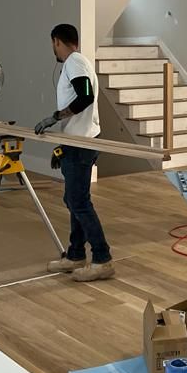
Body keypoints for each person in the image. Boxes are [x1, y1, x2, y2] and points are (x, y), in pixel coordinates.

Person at [34, 23, 114, 282]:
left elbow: (86, 97)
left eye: (53, 45)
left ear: (57, 41)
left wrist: (55, 117)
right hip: (76, 141)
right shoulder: (79, 62)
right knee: (74, 200)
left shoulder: (73, 63)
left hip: (81, 143)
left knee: (78, 201)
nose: (53, 50)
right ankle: (76, 255)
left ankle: (102, 259)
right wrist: (63, 144)